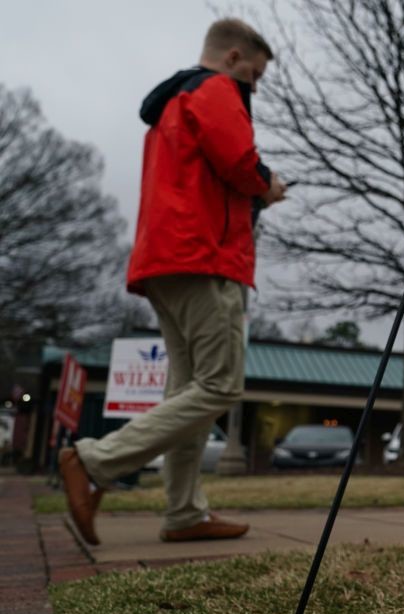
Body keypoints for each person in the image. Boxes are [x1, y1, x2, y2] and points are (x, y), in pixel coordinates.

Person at [59, 18, 286, 546]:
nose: (254, 87)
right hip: (204, 257)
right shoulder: (215, 90)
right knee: (220, 385)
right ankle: (93, 460)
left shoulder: (173, 102)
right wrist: (266, 187)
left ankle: (184, 512)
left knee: (188, 389)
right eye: (254, 75)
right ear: (233, 58)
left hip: (166, 258)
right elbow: (238, 160)